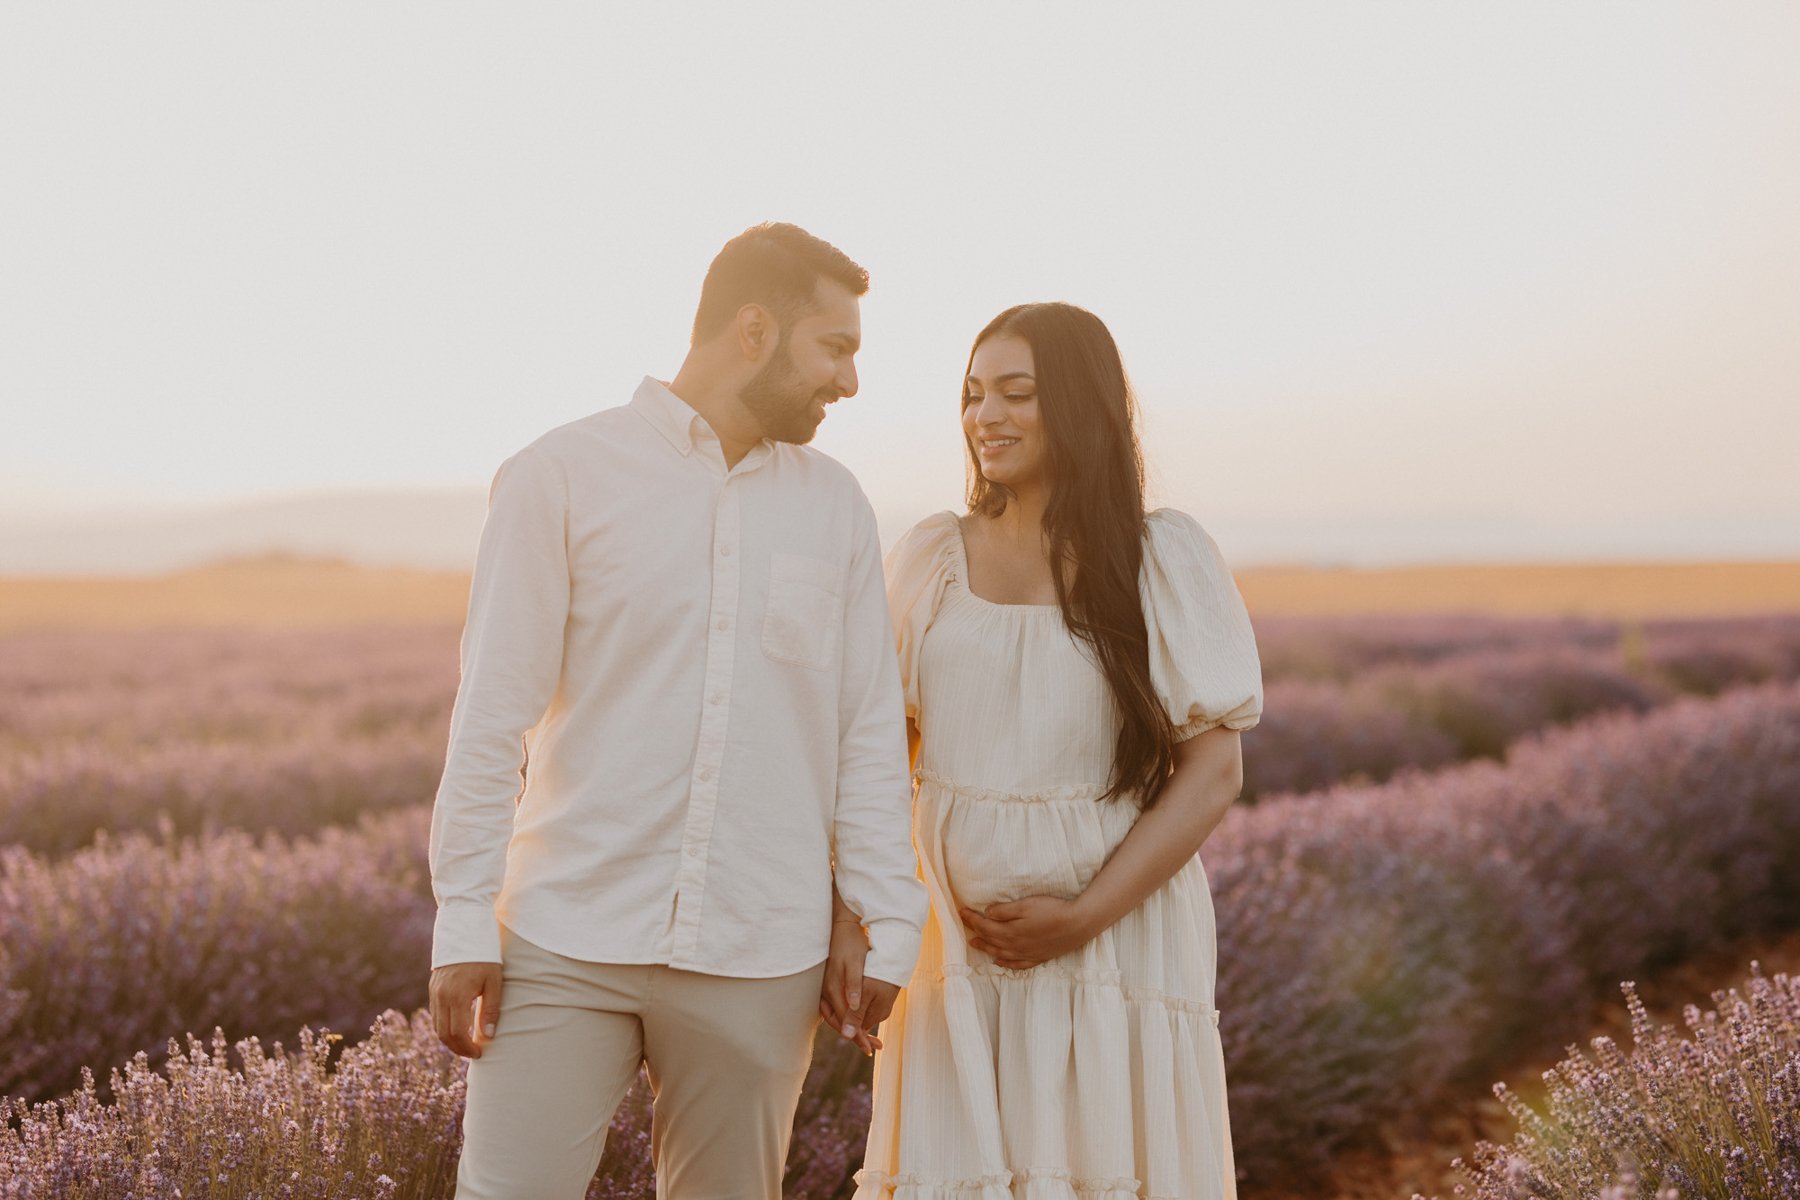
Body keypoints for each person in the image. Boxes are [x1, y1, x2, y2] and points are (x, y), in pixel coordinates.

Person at [427, 221, 927, 1200]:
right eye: (837, 347)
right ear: (754, 329)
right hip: (565, 937)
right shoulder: (559, 475)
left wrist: (878, 916)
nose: (850, 381)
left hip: (760, 952)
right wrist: (462, 924)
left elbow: (866, 733)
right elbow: (491, 716)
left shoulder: (835, 508)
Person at [849, 303, 1262, 1200]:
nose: (983, 417)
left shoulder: (1161, 557)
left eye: (1016, 393)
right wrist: (863, 918)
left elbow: (1213, 772)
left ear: (1080, 404)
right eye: (971, 394)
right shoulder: (930, 558)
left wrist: (1083, 915)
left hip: (1119, 947)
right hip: (955, 953)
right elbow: (875, 759)